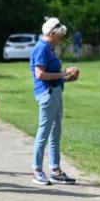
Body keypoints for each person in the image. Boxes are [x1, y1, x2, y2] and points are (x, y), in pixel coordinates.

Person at [30, 17, 79, 186]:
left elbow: (52, 75)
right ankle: (37, 170)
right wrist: (64, 73)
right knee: (44, 132)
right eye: (59, 35)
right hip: (47, 94)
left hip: (55, 92)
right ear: (51, 33)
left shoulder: (49, 48)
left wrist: (66, 79)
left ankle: (55, 170)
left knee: (55, 133)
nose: (61, 39)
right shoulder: (42, 48)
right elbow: (40, 75)